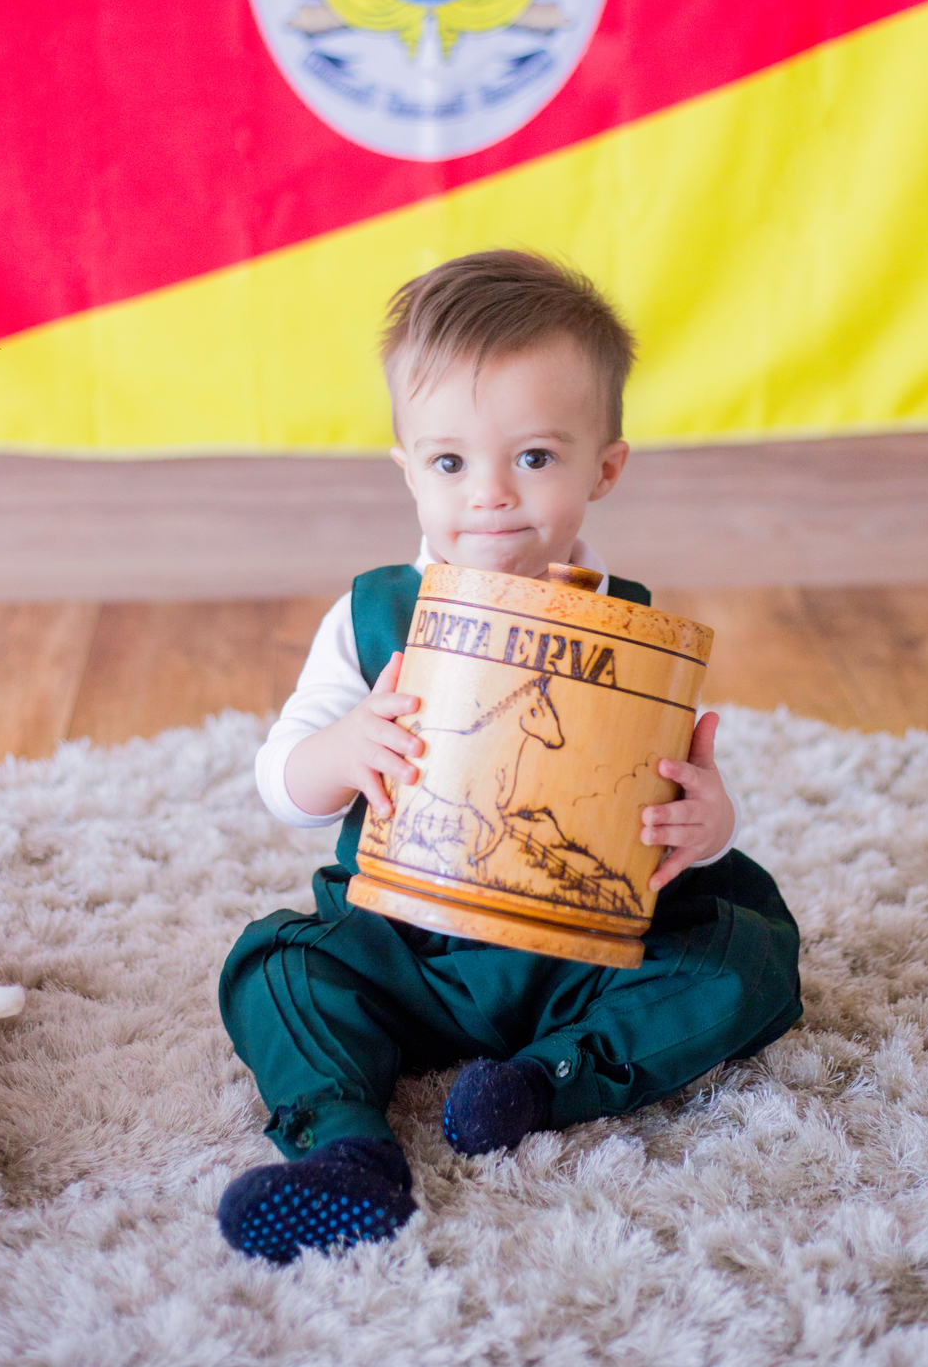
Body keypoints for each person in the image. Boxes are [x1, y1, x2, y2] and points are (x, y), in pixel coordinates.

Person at [217, 251, 802, 1262]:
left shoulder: (628, 627)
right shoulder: (371, 618)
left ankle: (543, 1082)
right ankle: (345, 1148)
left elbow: (668, 800)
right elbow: (284, 785)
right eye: (450, 464)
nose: (489, 496)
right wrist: (344, 751)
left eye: (532, 458)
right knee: (277, 967)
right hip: (410, 950)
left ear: (604, 468)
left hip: (587, 948)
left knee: (749, 960)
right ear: (408, 469)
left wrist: (709, 823)